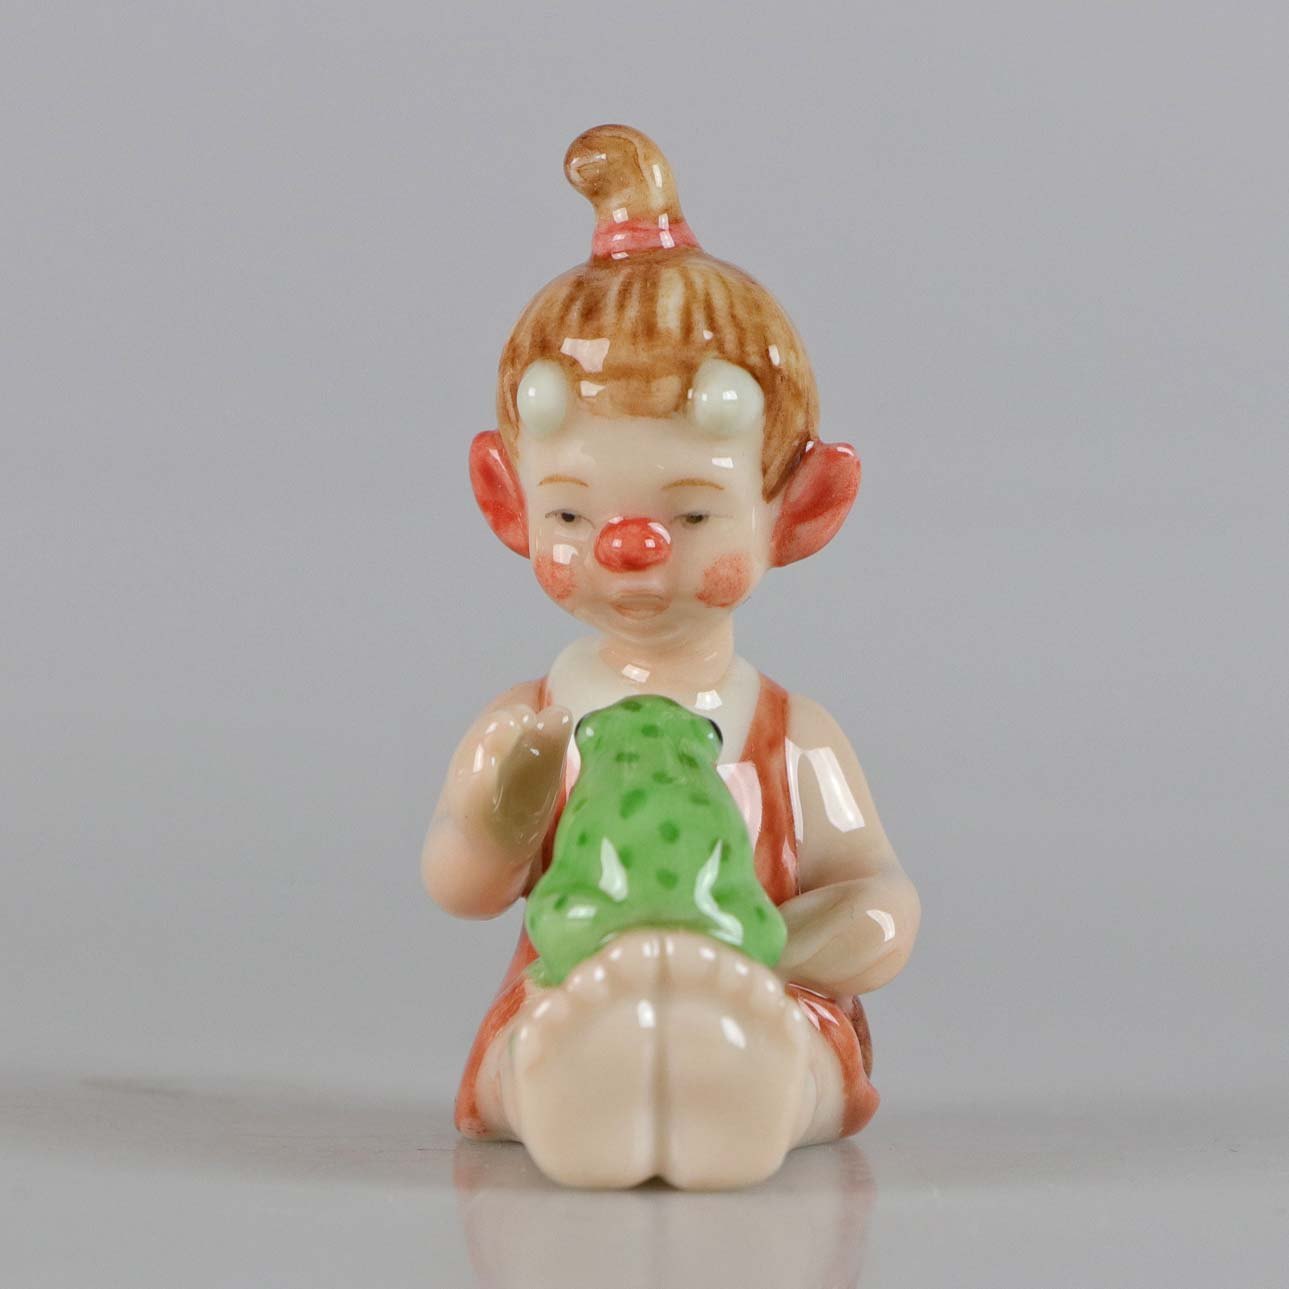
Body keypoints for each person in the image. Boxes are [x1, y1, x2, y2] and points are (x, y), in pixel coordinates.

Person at [422, 124, 920, 1189]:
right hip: (568, 983)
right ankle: (583, 1076)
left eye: (691, 515)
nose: (629, 549)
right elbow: (459, 884)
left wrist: (756, 949)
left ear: (799, 509)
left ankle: (736, 1067)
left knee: (802, 1056)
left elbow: (881, 905)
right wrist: (499, 819)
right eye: (571, 513)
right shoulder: (534, 722)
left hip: (759, 987)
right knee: (527, 1044)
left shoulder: (791, 737)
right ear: (507, 501)